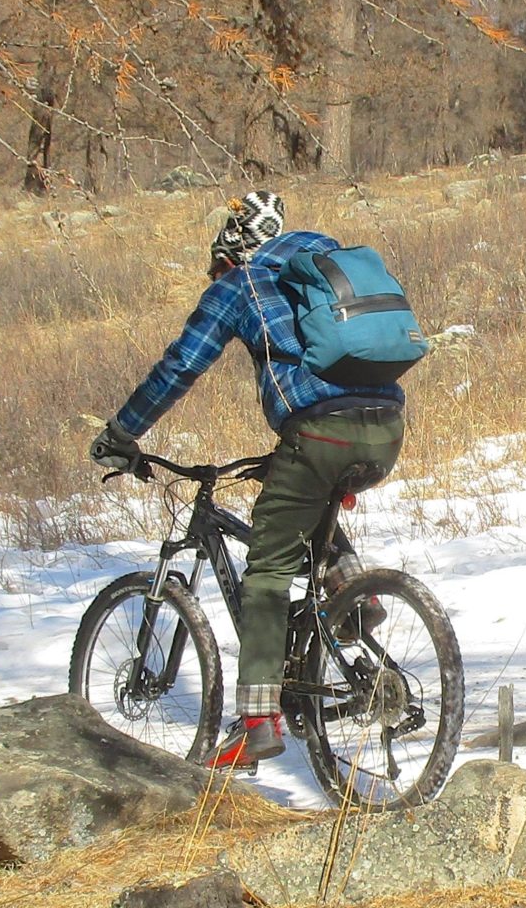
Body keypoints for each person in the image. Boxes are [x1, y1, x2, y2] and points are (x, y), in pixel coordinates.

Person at [92, 192, 407, 771]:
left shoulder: (240, 283)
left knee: (267, 570)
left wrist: (122, 433)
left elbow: (178, 368)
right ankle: (353, 597)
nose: (215, 277)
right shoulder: (324, 263)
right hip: (386, 426)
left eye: (216, 268)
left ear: (229, 254)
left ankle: (258, 720)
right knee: (305, 497)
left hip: (319, 432)